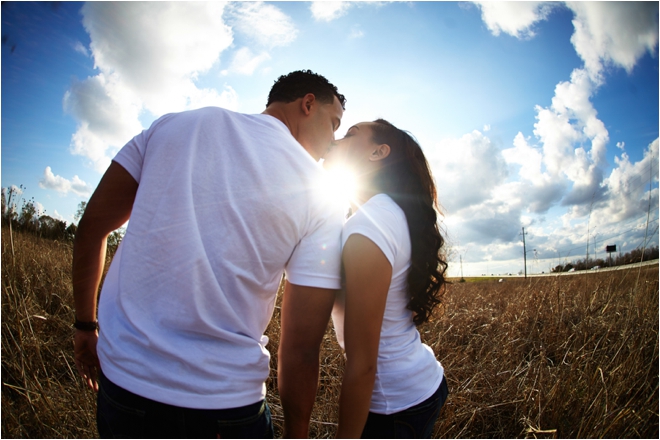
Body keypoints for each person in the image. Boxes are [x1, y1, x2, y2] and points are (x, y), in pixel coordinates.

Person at [72, 70, 346, 438]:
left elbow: (91, 227)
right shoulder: (321, 195)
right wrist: (297, 431)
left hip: (127, 385)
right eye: (334, 124)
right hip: (228, 406)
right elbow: (299, 348)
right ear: (308, 104)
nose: (334, 141)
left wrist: (85, 326)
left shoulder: (174, 126)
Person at [323, 119, 449, 438]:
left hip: (394, 405)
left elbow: (364, 364)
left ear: (379, 153)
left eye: (351, 134)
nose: (337, 139)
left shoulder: (368, 226)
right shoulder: (387, 213)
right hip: (421, 385)